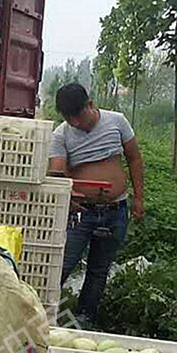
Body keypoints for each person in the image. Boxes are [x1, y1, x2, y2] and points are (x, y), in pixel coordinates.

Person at [49, 83, 146, 326]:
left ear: (90, 104)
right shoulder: (61, 134)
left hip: (115, 210)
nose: (76, 124)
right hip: (81, 214)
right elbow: (58, 173)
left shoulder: (117, 121)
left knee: (98, 269)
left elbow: (134, 158)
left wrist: (138, 197)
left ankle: (83, 318)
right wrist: (69, 199)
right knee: (61, 265)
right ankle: (44, 312)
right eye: (70, 120)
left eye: (79, 117)